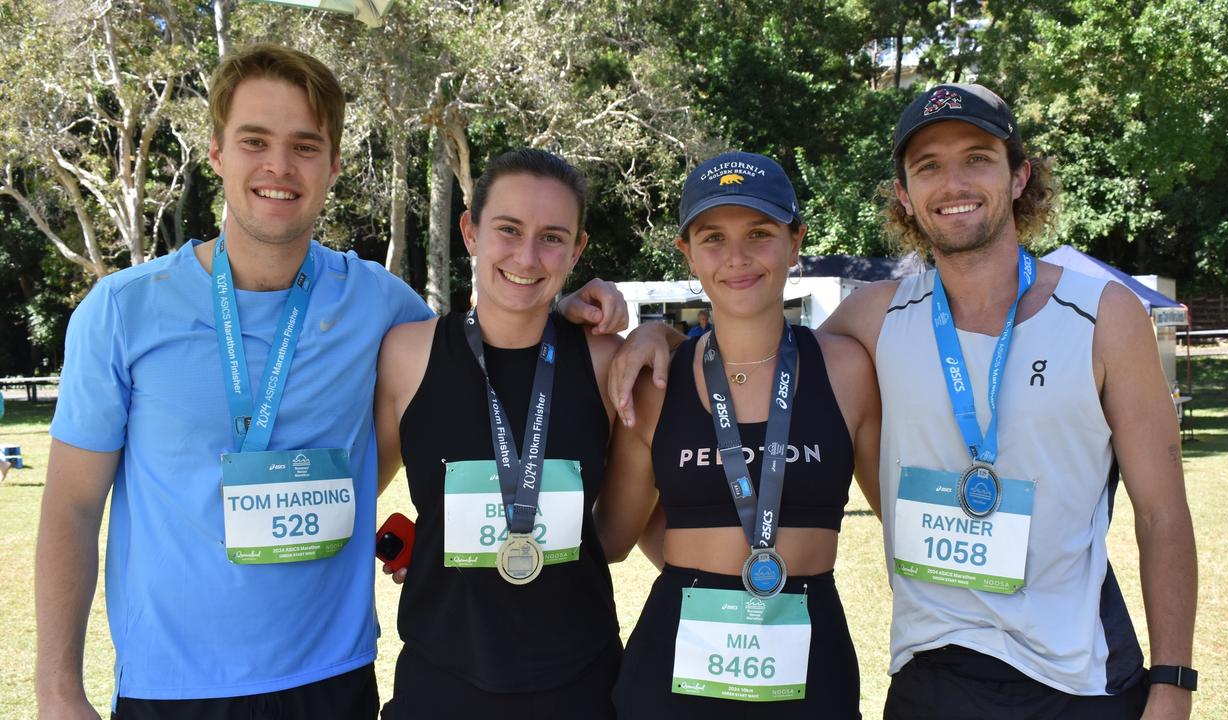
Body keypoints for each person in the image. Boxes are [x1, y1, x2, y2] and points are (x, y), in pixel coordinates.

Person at [35, 44, 623, 720]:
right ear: (217, 154)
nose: (279, 167)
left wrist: (572, 306)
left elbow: (490, 338)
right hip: (173, 689)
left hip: (333, 679)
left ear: (334, 164)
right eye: (254, 140)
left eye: (305, 146)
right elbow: (72, 508)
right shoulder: (123, 311)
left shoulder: (381, 306)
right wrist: (56, 692)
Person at [612, 85, 1198, 720]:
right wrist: (663, 338)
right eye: (928, 166)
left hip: (1078, 676)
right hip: (932, 672)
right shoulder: (873, 320)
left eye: (977, 158)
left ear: (1020, 174)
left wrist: (1172, 682)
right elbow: (749, 346)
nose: (953, 183)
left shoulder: (1103, 316)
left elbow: (1163, 514)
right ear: (903, 193)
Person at [597, 151, 880, 718]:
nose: (737, 258)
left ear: (794, 241)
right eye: (713, 238)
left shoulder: (848, 372)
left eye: (759, 233)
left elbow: (899, 533)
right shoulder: (657, 382)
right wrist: (696, 566)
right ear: (688, 254)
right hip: (675, 668)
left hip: (808, 663)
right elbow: (610, 539)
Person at [374, 149, 624, 718]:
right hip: (442, 683)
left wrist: (663, 339)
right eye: (508, 230)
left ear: (578, 249)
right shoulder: (406, 355)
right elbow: (360, 487)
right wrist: (427, 547)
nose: (527, 256)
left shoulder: (608, 361)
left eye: (552, 237)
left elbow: (618, 535)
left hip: (580, 684)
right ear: (470, 230)